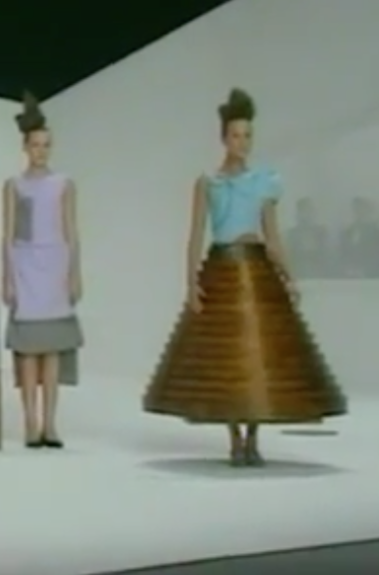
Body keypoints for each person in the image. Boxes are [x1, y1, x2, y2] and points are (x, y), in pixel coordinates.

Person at [142, 89, 346, 466]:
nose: (243, 142)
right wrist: (191, 283)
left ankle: (252, 437)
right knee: (226, 358)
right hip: (222, 268)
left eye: (248, 135)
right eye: (236, 135)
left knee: (259, 355)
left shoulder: (263, 181)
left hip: (256, 267)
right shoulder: (208, 182)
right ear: (224, 137)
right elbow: (195, 235)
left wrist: (290, 277)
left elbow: (273, 236)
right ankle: (235, 438)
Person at [1, 92, 84, 450]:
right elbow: (8, 234)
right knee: (29, 350)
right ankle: (30, 423)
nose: (41, 151)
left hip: (55, 266)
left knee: (52, 349)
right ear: (25, 147)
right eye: (35, 145)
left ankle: (50, 423)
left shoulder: (63, 184)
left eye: (46, 145)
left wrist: (75, 272)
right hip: (25, 266)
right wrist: (7, 277)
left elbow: (72, 230)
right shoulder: (14, 185)